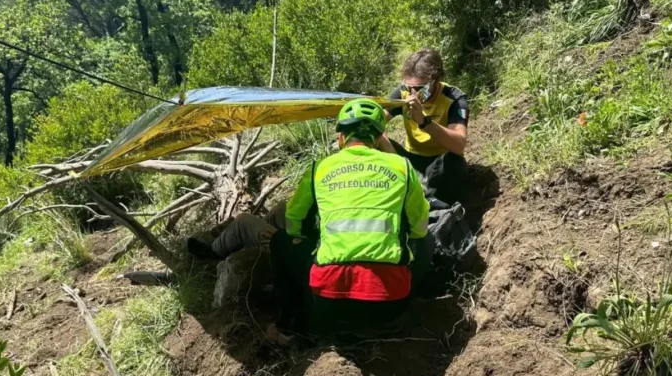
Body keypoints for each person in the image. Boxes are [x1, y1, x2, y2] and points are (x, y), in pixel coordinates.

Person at [268, 98, 431, 342]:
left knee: (280, 241)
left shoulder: (320, 168)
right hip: (389, 303)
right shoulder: (402, 167)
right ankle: (399, 315)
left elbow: (294, 224)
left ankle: (292, 321)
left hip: (327, 301)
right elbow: (419, 227)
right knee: (427, 242)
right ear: (377, 139)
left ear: (341, 138)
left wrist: (315, 237)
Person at [382, 48, 469, 205]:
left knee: (456, 163)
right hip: (409, 159)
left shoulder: (453, 97)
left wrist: (424, 121)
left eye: (421, 88)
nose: (414, 93)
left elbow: (459, 145)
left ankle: (437, 207)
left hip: (438, 162)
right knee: (372, 141)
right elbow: (376, 122)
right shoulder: (403, 93)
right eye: (409, 87)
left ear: (437, 80)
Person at [186, 201, 286, 259]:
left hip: (294, 252)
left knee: (243, 222)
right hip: (298, 241)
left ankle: (213, 251)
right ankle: (255, 231)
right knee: (282, 207)